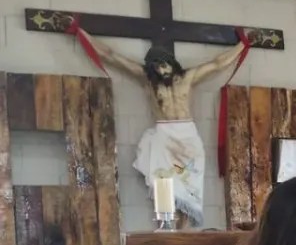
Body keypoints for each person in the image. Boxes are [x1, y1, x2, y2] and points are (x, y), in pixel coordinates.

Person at [74, 26, 251, 226]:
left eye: (164, 65)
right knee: (163, 182)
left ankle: (184, 234)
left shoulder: (187, 77)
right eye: (156, 66)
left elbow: (218, 63)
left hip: (187, 135)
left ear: (172, 63)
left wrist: (243, 44)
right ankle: (167, 230)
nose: (161, 69)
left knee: (188, 184)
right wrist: (82, 33)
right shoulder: (149, 80)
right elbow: (111, 55)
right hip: (164, 135)